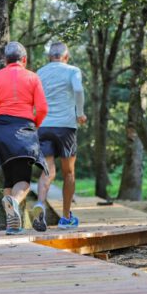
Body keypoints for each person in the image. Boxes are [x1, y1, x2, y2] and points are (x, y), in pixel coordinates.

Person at [0, 42, 48, 235]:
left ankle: (12, 225)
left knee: (9, 179)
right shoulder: (32, 77)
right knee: (23, 181)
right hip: (23, 130)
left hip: (0, 131)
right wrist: (35, 124)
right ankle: (14, 201)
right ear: (24, 59)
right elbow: (42, 108)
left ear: (5, 60)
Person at [31, 42, 87, 231]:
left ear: (49, 57)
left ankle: (40, 203)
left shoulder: (40, 72)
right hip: (66, 127)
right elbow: (78, 90)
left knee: (48, 170)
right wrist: (80, 113)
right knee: (68, 172)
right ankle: (65, 218)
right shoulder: (73, 70)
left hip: (44, 126)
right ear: (66, 57)